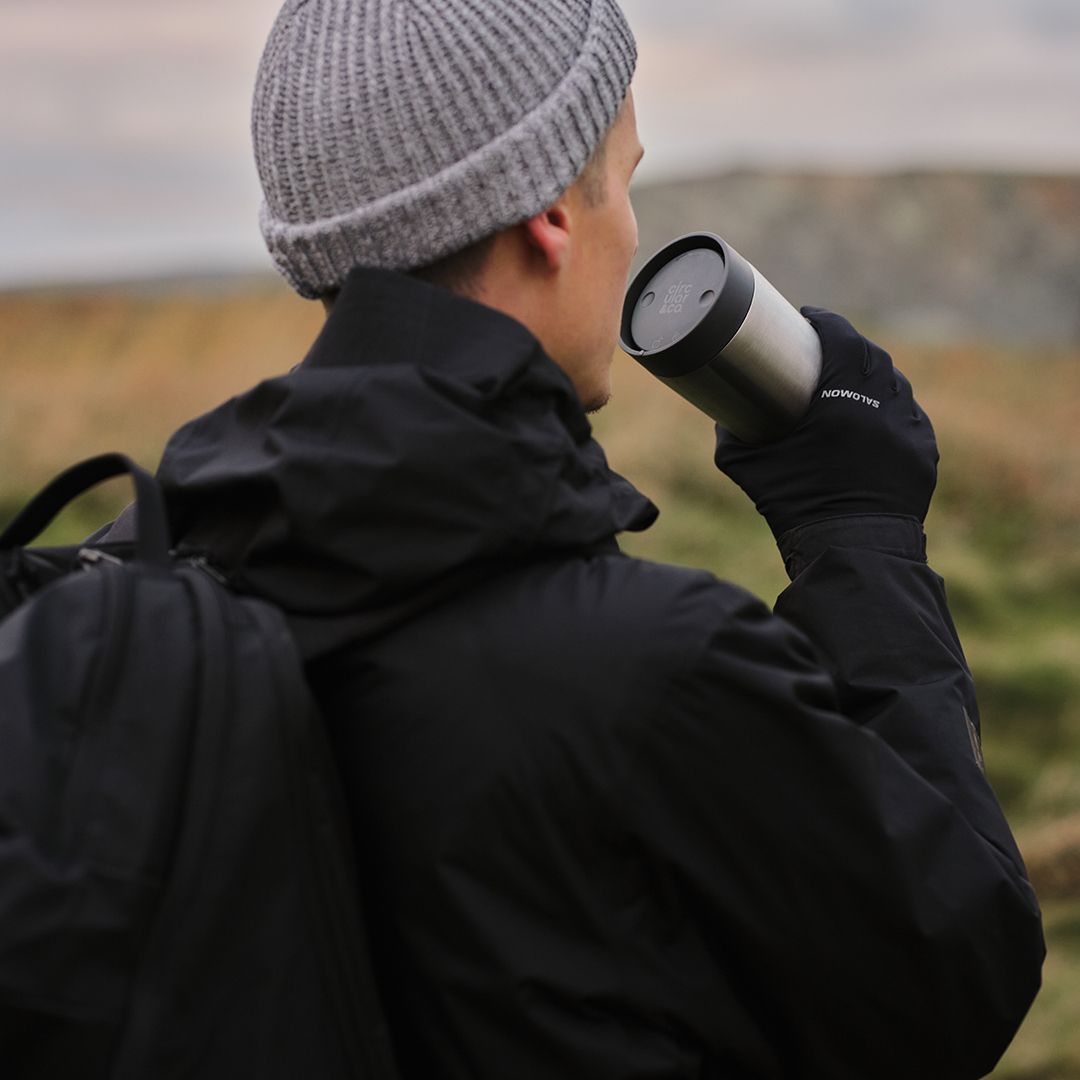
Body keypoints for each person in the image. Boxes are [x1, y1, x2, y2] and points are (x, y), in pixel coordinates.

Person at [131, 0, 1044, 1076]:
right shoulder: (650, 673)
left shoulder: (143, 577)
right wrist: (859, 532)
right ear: (555, 214)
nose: (632, 234)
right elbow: (955, 972)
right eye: (626, 177)